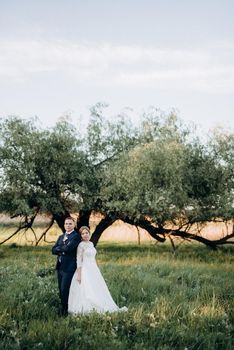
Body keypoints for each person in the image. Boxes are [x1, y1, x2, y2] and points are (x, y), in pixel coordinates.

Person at [68, 226, 127, 314]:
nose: (85, 235)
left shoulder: (91, 244)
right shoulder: (81, 245)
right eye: (83, 234)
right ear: (81, 235)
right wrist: (79, 275)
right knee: (87, 289)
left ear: (89, 233)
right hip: (85, 270)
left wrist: (95, 268)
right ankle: (87, 308)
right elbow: (79, 260)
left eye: (86, 233)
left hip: (93, 269)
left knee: (98, 287)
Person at [52, 217, 81, 316]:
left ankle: (66, 310)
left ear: (74, 225)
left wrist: (60, 249)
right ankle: (63, 308)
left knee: (65, 289)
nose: (67, 225)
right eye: (66, 224)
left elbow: (69, 248)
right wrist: (62, 249)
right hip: (60, 267)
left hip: (69, 267)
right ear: (64, 225)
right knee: (60, 289)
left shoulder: (76, 236)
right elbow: (53, 250)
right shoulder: (61, 236)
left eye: (70, 224)